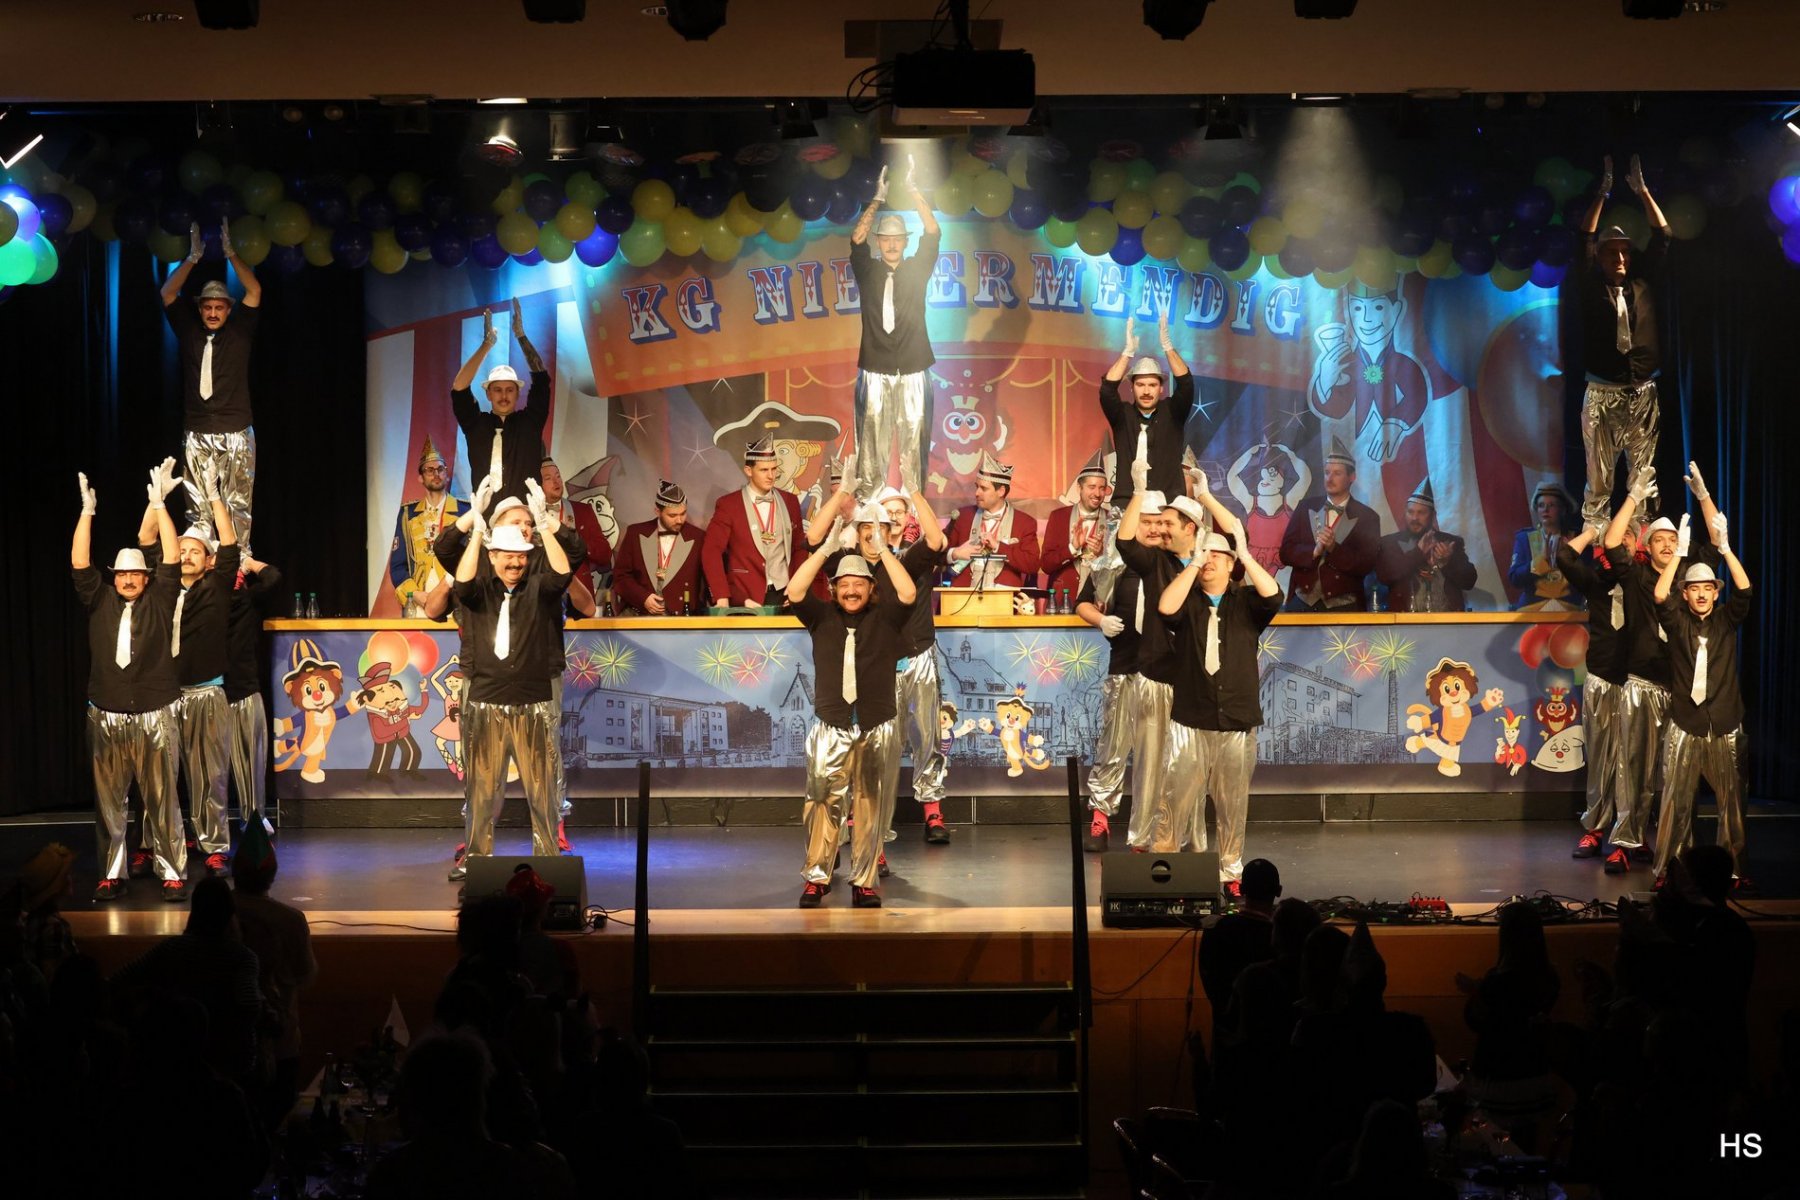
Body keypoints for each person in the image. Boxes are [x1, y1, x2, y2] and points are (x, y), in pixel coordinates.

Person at [1158, 475, 1282, 889]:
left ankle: (1231, 872)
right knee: (1175, 798)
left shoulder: (1245, 603)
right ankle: (1164, 870)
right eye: (1204, 553)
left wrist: (1243, 553)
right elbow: (1165, 609)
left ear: (1230, 565)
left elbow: (1273, 595)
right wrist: (1193, 564)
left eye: (1217, 555)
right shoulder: (1188, 600)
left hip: (1236, 719)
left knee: (1232, 804)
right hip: (1191, 718)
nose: (1209, 559)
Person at [785, 518, 917, 908]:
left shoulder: (887, 617)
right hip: (832, 725)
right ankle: (817, 877)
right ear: (834, 589)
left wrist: (882, 549)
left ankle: (864, 880)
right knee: (821, 799)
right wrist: (826, 549)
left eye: (859, 584)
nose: (852, 590)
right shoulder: (821, 617)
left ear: (871, 588)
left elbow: (908, 592)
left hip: (876, 724)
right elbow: (795, 590)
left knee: (870, 804)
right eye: (844, 584)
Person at [73, 463, 188, 902]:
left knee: (163, 799)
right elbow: (79, 563)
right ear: (114, 576)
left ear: (145, 577)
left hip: (155, 712)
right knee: (109, 802)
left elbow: (172, 557)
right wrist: (87, 513)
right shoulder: (99, 598)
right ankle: (112, 872)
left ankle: (172, 870)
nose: (126, 579)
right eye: (120, 574)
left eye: (134, 574)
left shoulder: (160, 598)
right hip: (106, 714)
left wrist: (159, 506)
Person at [448, 479, 574, 878]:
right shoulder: (478, 592)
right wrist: (477, 530)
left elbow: (563, 574)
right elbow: (461, 581)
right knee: (482, 792)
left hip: (533, 702)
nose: (516, 564)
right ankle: (477, 862)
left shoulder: (539, 589)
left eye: (521, 557)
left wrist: (544, 523)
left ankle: (548, 863)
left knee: (542, 791)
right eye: (508, 557)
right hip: (486, 702)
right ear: (494, 556)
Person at [138, 459, 241, 879]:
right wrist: (157, 502)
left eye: (195, 550)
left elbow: (230, 544)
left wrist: (214, 496)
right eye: (180, 549)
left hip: (206, 692)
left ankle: (213, 844)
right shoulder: (162, 586)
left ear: (209, 561)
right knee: (156, 776)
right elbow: (146, 538)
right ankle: (151, 844)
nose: (185, 554)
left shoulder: (217, 587)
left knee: (210, 773)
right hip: (163, 695)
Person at [1652, 511, 1753, 890]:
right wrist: (1679, 553)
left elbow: (1745, 590)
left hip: (1725, 721)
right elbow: (1659, 595)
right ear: (1686, 593)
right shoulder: (1678, 622)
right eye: (1694, 589)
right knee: (1676, 801)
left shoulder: (1725, 621)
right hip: (1686, 721)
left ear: (1715, 592)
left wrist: (1725, 549)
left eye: (1707, 588)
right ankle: (1671, 870)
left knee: (1733, 803)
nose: (1700, 594)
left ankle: (1735, 871)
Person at [1577, 154, 1672, 532]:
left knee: (1643, 479)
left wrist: (1643, 192)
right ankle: (1598, 546)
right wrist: (1603, 193)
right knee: (1599, 480)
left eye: (1625, 251)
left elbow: (1663, 236)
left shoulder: (1641, 282)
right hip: (1603, 392)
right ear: (1600, 257)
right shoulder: (1591, 286)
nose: (1620, 257)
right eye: (1612, 252)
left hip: (1643, 390)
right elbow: (1584, 239)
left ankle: (1642, 550)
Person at [1076, 489, 1171, 852]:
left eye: (1158, 522)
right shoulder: (1113, 564)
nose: (1152, 529)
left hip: (1163, 674)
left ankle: (1152, 828)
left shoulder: (1172, 563)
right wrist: (1101, 620)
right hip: (1125, 666)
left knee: (1159, 754)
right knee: (1113, 746)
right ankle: (1100, 819)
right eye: (1145, 522)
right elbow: (1083, 603)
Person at [160, 220, 263, 554]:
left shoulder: (240, 330)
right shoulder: (190, 331)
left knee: (237, 503)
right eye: (208, 307)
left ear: (228, 310)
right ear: (200, 309)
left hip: (236, 428)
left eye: (219, 307)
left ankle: (237, 562)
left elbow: (254, 291)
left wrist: (231, 254)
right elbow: (168, 293)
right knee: (197, 505)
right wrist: (192, 258)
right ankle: (199, 561)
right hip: (198, 429)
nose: (214, 313)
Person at [1559, 486, 1644, 874]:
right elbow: (1564, 557)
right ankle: (1594, 827)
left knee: (1633, 761)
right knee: (1600, 757)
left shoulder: (1643, 581)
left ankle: (1629, 834)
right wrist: (1594, 530)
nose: (1621, 541)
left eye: (1627, 536)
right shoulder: (1596, 581)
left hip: (1636, 682)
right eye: (1616, 537)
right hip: (1601, 676)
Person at [847, 155, 941, 499]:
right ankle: (869, 511)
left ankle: (915, 510)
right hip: (875, 368)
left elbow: (933, 232)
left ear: (905, 241)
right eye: (885, 239)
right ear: (879, 241)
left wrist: (914, 191)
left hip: (914, 367)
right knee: (871, 444)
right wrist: (878, 199)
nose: (891, 244)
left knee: (915, 442)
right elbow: (856, 238)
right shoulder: (868, 270)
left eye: (897, 238)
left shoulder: (916, 268)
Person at [229, 817, 317, 1129]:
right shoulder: (290, 920)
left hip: (227, 1039)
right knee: (277, 1123)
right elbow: (306, 975)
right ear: (272, 875)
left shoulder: (219, 911)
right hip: (280, 1041)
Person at [452, 299, 552, 518]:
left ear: (518, 393)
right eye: (497, 390)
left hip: (526, 520)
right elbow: (459, 388)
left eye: (509, 390)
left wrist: (521, 336)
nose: (504, 396)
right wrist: (486, 345)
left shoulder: (530, 422)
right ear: (488, 394)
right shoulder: (476, 424)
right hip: (486, 521)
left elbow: (541, 379)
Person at [1100, 300, 1195, 508]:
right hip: (1127, 504)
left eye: (1152, 385)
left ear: (1161, 388)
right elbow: (1107, 390)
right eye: (1140, 384)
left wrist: (1167, 346)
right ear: (1131, 387)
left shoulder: (1173, 413)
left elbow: (1186, 384)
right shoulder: (1122, 416)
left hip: (1168, 505)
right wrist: (1127, 352)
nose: (1146, 391)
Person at [703, 433, 807, 612]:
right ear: (748, 471)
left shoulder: (790, 501)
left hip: (784, 593)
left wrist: (796, 586)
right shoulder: (729, 505)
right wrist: (721, 595)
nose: (771, 476)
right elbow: (711, 550)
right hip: (745, 595)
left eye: (774, 469)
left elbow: (799, 548)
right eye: (764, 470)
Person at [1279, 437, 1380, 612]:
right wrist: (1313, 551)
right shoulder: (1305, 507)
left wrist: (1334, 548)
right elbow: (1285, 553)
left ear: (1352, 477)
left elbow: (1366, 564)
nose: (1329, 478)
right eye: (1327, 472)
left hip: (1345, 605)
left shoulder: (1367, 517)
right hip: (1303, 602)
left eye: (1337, 473)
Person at [225, 547, 283, 834]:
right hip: (207, 692)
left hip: (244, 689)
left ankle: (254, 818)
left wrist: (248, 562)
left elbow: (272, 577)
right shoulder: (203, 599)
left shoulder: (247, 600)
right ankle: (206, 828)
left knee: (251, 763)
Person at [1198, 858, 1280, 1041]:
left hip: (1227, 1039)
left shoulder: (1217, 931)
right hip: (1276, 1042)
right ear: (1278, 891)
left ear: (1242, 890)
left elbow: (1209, 978)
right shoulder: (1279, 937)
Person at [388, 435, 467, 614]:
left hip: (455, 601)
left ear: (447, 475)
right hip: (418, 602)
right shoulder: (407, 514)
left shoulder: (464, 511)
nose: (436, 474)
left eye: (440, 469)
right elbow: (398, 566)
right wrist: (417, 595)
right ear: (421, 478)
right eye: (429, 470)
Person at [1374, 479, 1476, 613]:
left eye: (1421, 513)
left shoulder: (1449, 542)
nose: (1414, 518)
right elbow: (1384, 577)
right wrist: (1418, 553)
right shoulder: (1391, 543)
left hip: (1446, 620)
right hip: (1405, 620)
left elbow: (1469, 581)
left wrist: (1448, 562)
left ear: (1433, 516)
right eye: (1410, 512)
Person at [944, 452, 1041, 589]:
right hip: (962, 597)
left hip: (1004, 598)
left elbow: (1032, 565)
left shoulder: (1024, 522)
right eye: (977, 487)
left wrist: (998, 546)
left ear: (1001, 491)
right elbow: (936, 552)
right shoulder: (963, 516)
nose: (977, 493)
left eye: (983, 488)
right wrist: (955, 553)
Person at [613, 479, 707, 616]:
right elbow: (621, 577)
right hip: (639, 615)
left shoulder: (698, 537)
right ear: (657, 511)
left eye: (683, 513)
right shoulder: (636, 533)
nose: (679, 520)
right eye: (672, 515)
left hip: (681, 617)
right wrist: (643, 598)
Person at [1224, 440, 1310, 576]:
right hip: (1252, 559)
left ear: (1281, 483)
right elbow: (1232, 477)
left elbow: (1305, 478)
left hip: (1281, 561)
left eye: (1271, 479)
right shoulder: (1250, 502)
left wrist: (1291, 455)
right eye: (1263, 479)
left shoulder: (1289, 502)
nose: (1265, 481)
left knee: (1279, 589)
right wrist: (1247, 455)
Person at [1039, 451, 1112, 609]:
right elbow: (1046, 565)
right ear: (1079, 488)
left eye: (1102, 488)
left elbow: (1122, 570)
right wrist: (1072, 548)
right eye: (1092, 487)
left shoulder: (1112, 519)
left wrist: (1101, 555)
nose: (1097, 494)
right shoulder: (1059, 517)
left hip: (1100, 604)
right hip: (1062, 603)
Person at [1508, 481, 1584, 610]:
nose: (1545, 510)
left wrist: (1571, 562)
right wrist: (1539, 562)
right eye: (1541, 505)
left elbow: (1590, 581)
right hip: (1532, 611)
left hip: (1569, 612)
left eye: (1552, 505)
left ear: (1563, 510)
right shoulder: (1524, 538)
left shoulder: (1577, 538)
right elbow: (1515, 578)